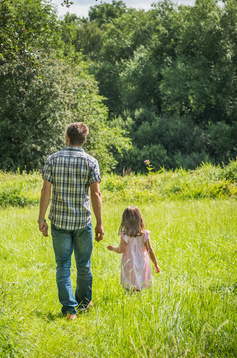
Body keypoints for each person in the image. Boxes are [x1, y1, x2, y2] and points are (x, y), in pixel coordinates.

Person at [38, 122, 104, 322]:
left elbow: (45, 191)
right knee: (84, 265)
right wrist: (99, 223)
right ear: (84, 139)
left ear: (67, 137)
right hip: (83, 222)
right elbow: (96, 194)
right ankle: (83, 303)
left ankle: (70, 310)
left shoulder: (52, 160)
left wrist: (41, 218)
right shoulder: (91, 162)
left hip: (59, 222)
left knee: (63, 265)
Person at [106, 206, 160, 291]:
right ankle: (139, 294)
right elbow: (150, 250)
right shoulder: (144, 235)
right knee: (141, 280)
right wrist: (155, 264)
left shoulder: (125, 235)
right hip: (142, 262)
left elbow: (120, 250)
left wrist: (113, 248)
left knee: (130, 283)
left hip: (129, 263)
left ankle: (131, 295)